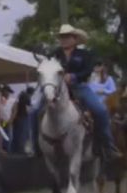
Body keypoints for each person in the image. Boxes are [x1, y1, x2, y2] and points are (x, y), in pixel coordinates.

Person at [31, 25, 121, 160]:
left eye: (67, 37)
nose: (64, 39)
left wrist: (73, 76)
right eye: (62, 37)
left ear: (75, 39)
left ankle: (108, 147)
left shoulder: (85, 54)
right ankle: (35, 147)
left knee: (101, 111)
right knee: (33, 111)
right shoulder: (54, 54)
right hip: (57, 89)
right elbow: (46, 67)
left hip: (79, 87)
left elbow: (88, 70)